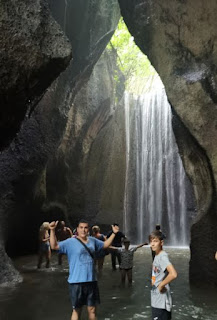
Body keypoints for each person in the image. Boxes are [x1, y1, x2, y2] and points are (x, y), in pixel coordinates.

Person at [49, 219, 119, 320]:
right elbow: (54, 246)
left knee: (92, 310)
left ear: (88, 229)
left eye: (85, 228)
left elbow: (105, 245)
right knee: (77, 310)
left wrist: (114, 233)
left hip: (91, 281)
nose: (83, 230)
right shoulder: (70, 242)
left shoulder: (93, 240)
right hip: (76, 282)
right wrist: (52, 230)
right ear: (77, 229)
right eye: (81, 227)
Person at [149, 231, 177, 320]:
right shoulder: (157, 255)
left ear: (161, 243)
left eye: (155, 241)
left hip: (161, 302)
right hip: (157, 299)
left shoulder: (162, 256)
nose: (152, 244)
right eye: (151, 241)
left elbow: (173, 274)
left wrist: (161, 285)